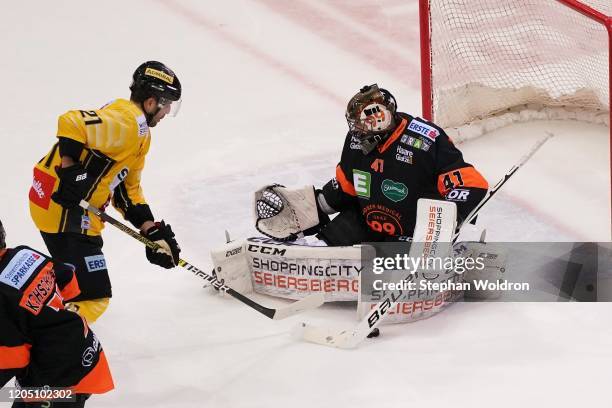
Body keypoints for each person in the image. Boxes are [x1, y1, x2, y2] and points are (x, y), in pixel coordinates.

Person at [28, 61, 182, 323]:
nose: (167, 111)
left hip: (58, 204)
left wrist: (150, 229)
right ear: (150, 102)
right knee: (92, 298)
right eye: (166, 103)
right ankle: (41, 341)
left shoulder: (140, 132)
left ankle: (35, 320)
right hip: (64, 211)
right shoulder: (126, 123)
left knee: (73, 282)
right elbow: (71, 122)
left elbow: (127, 189)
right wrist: (71, 171)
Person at [282, 84, 489, 245]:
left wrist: (448, 220)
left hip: (416, 234)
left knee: (401, 259)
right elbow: (347, 185)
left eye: (361, 125)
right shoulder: (355, 141)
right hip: (370, 225)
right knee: (322, 247)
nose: (357, 131)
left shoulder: (426, 140)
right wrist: (318, 205)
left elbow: (471, 184)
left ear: (378, 120)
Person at [0, 220, 114, 407]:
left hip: (56, 382)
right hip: (84, 350)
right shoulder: (22, 253)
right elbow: (68, 281)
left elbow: (13, 359)